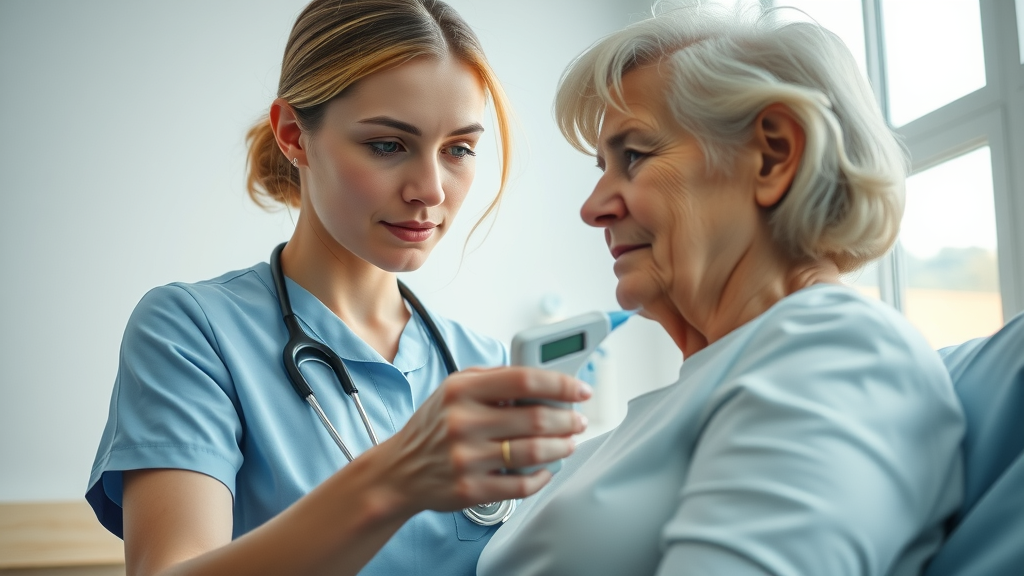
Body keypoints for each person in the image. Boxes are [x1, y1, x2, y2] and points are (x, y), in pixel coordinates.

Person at [85, 1, 591, 575]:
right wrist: (393, 481)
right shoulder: (191, 332)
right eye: (387, 145)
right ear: (294, 135)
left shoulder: (483, 364)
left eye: (458, 149)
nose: (430, 189)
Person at [478, 4, 965, 575]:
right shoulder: (708, 384)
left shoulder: (836, 354)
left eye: (633, 156)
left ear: (773, 155)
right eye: (601, 167)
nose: (592, 209)